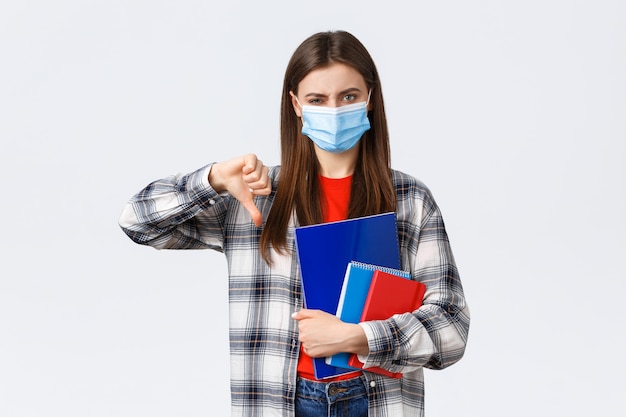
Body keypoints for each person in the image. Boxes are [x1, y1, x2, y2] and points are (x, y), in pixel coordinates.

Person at [119, 30, 470, 417]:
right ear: (296, 105)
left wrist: (360, 337)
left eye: (348, 96)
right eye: (317, 99)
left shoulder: (409, 199)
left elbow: (451, 328)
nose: (334, 111)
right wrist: (214, 178)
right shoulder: (254, 196)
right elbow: (138, 221)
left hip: (377, 401)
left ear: (370, 99)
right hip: (278, 401)